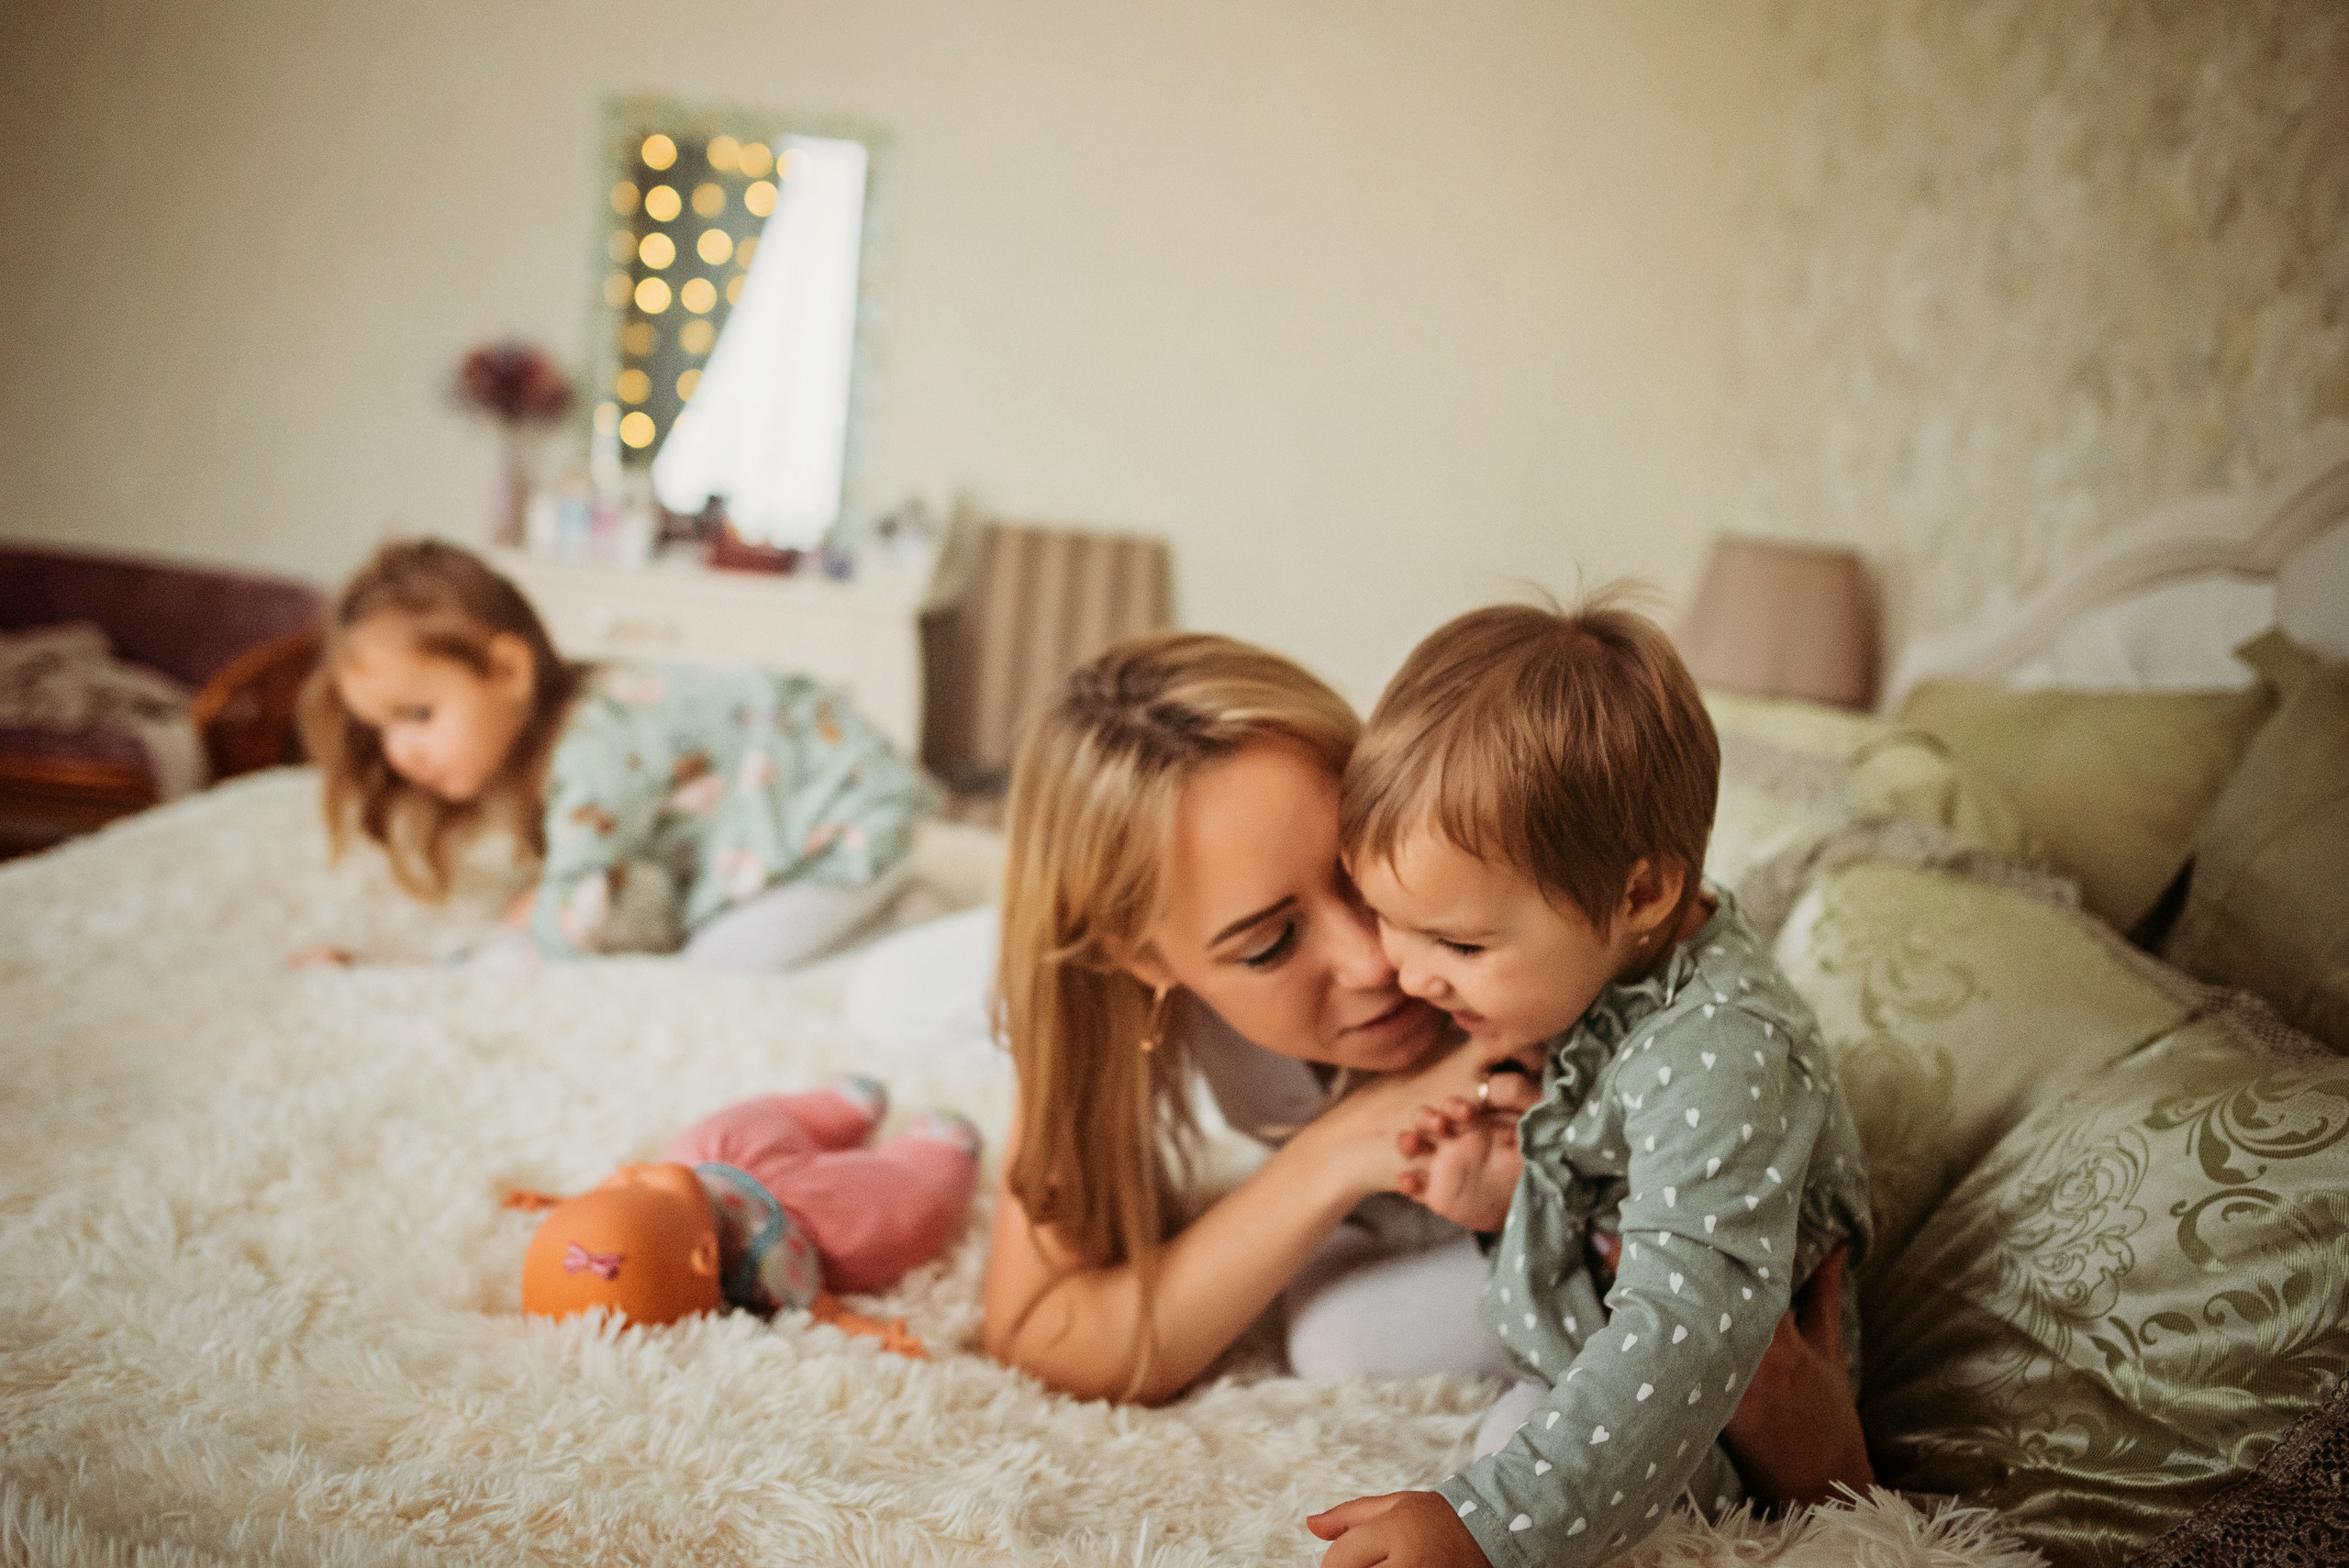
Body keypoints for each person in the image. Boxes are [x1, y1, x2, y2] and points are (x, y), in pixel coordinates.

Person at [978, 631, 1875, 1509]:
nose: (1383, 963)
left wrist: (1813, 1453)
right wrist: (1333, 1153)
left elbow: (1694, 1306)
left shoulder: (1543, 947)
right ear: (1140, 959)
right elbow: (1039, 1333)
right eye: (1271, 942)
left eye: (1361, 877)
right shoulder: (1101, 1002)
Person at [1307, 597, 1873, 1568]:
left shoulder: (1724, 1048)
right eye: (1388, 919)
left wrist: (1490, 1521)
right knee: (1327, 1322)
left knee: (1508, 1455)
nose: (1408, 972)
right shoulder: (1597, 959)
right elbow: (1596, 1165)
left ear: (1641, 893)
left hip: (1711, 1413)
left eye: (1456, 941)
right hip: (1578, 1285)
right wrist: (1502, 1199)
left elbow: (1688, 1329)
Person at [295, 539, 935, 966]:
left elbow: (570, 932)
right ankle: (892, 912)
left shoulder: (593, 747)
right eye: (382, 727)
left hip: (849, 826)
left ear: (508, 671)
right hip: (845, 810)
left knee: (713, 970)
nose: (400, 750)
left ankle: (898, 931)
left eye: (419, 714)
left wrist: (421, 972)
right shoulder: (585, 728)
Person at [508, 1074, 978, 1358]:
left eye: (619, 1184)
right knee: (886, 1217)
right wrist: (877, 1334)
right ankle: (934, 1156)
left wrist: (559, 1203)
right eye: (644, 1185)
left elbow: (609, 1211)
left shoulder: (666, 1183)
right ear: (705, 1255)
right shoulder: (772, 1269)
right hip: (808, 1210)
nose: (632, 1170)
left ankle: (832, 1108)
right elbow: (821, 1311)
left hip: (724, 1152)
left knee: (709, 1136)